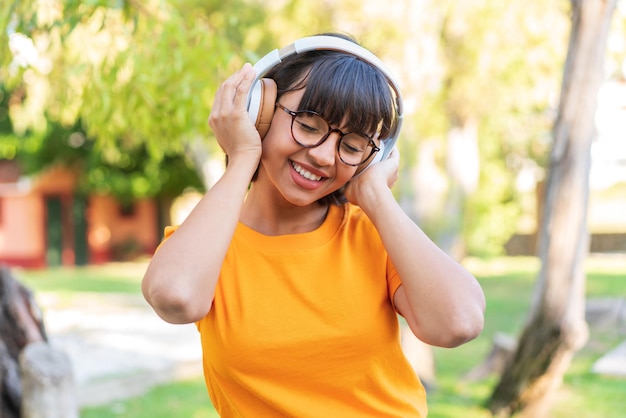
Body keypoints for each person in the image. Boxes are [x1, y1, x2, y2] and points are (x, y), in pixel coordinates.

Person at [142, 33, 485, 417]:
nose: (324, 156)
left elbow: (459, 323)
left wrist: (374, 195)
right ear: (262, 111)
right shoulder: (210, 241)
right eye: (308, 124)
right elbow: (175, 298)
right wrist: (243, 155)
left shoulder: (372, 234)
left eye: (353, 146)